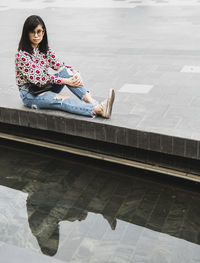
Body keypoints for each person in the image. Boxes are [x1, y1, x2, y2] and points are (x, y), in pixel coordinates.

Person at [15, 15, 115, 118]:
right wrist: (65, 81)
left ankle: (91, 101)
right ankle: (99, 109)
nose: (36, 35)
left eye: (39, 31)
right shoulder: (22, 55)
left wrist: (75, 73)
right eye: (32, 32)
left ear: (43, 32)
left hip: (44, 87)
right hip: (31, 93)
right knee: (61, 99)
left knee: (66, 72)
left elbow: (59, 65)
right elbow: (40, 79)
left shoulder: (43, 49)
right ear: (26, 33)